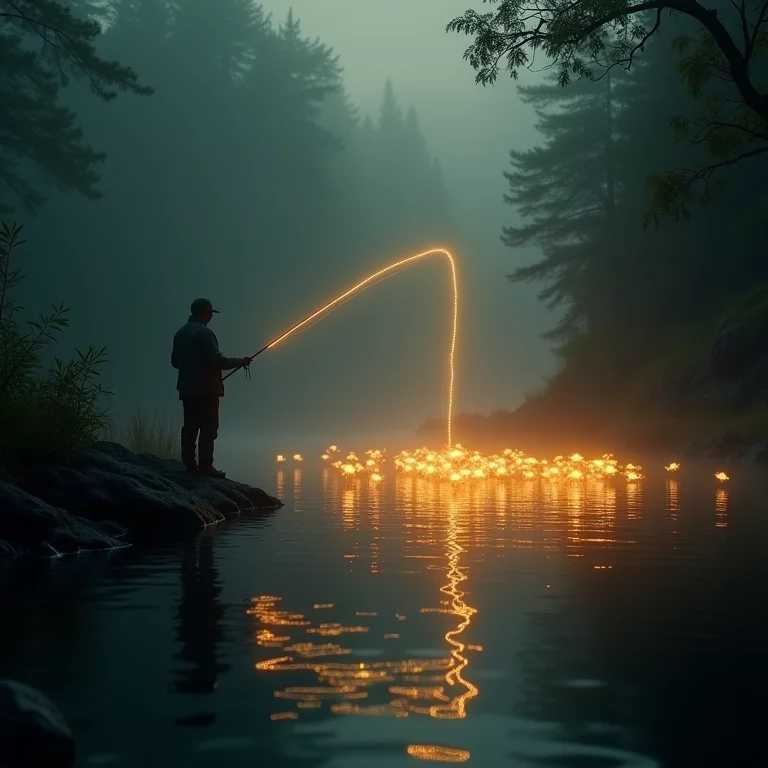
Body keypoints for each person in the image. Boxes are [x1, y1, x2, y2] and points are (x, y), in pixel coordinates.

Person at [171, 298, 251, 478]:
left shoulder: (180, 332)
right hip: (206, 391)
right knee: (208, 428)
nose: (211, 316)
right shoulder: (204, 333)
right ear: (204, 312)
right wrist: (241, 361)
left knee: (190, 428)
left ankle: (190, 465)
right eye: (209, 313)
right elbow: (218, 361)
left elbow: (175, 362)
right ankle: (206, 467)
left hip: (187, 390)